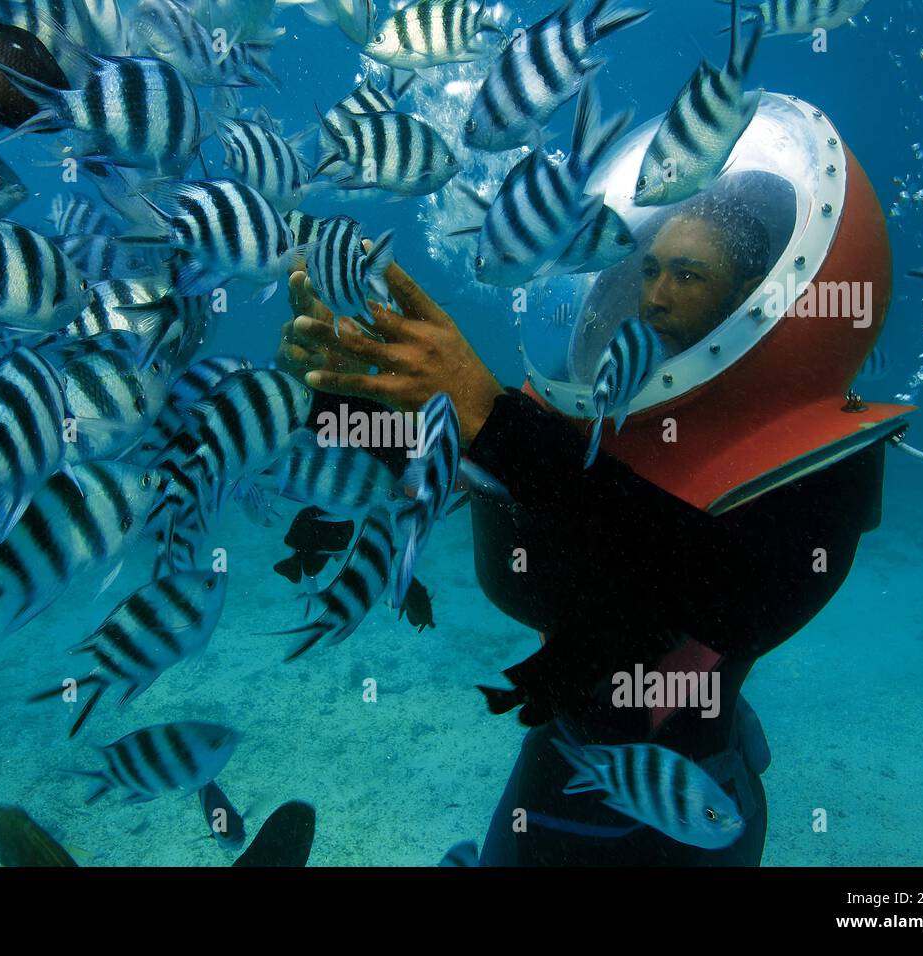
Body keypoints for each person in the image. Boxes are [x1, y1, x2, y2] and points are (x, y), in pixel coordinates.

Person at [275, 197, 886, 865]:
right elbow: (454, 458)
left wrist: (496, 423)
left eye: (687, 275)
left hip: (696, 786)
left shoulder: (813, 459)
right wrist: (332, 396)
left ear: (751, 292)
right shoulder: (591, 409)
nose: (653, 296)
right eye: (649, 269)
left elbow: (729, 593)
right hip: (564, 750)